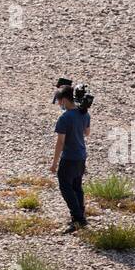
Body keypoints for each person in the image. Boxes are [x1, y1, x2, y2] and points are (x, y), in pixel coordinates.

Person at [51, 82, 91, 233]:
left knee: (66, 187)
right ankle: (81, 217)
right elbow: (87, 133)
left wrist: (54, 163)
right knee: (77, 187)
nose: (59, 104)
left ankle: (77, 219)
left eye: (59, 101)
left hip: (69, 158)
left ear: (65, 100)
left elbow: (60, 142)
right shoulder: (84, 113)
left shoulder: (65, 117)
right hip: (81, 157)